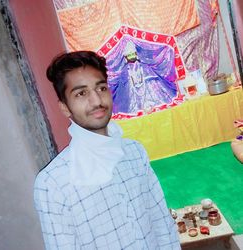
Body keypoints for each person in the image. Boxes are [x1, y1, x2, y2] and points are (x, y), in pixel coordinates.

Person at [34, 51, 181, 249]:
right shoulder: (53, 183)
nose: (96, 101)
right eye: (81, 93)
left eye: (101, 88)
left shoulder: (135, 153)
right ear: (65, 108)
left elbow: (161, 222)